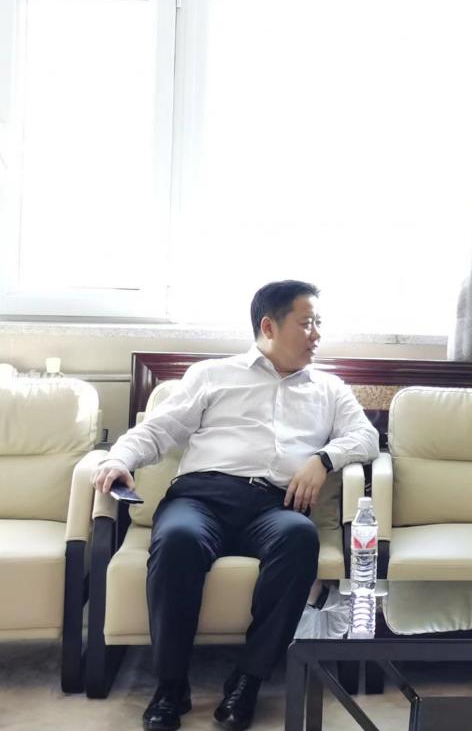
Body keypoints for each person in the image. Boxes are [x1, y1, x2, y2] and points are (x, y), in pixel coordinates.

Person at [92, 280, 380, 731]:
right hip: (202, 497)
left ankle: (246, 682)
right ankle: (171, 686)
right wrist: (118, 460)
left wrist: (323, 460)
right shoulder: (213, 375)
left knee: (299, 538)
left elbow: (366, 437)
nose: (317, 334)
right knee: (178, 540)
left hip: (274, 505)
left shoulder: (329, 388)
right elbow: (159, 430)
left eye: (318, 324)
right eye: (307, 323)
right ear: (269, 326)